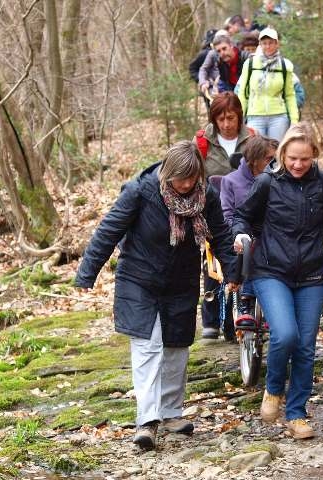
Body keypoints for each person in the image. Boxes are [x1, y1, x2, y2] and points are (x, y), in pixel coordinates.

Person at [75, 141, 238, 451]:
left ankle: (171, 413)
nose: (187, 185)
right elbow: (108, 231)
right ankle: (147, 421)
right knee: (148, 346)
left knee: (177, 346)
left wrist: (232, 273)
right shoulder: (141, 191)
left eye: (193, 178)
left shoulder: (207, 197)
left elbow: (221, 236)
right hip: (139, 278)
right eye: (181, 179)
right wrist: (87, 274)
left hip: (181, 279)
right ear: (168, 173)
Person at [232, 122, 323, 440]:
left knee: (305, 345)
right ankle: (273, 388)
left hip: (313, 275)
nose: (298, 165)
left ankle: (297, 413)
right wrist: (240, 234)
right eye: (292, 158)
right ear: (283, 154)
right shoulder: (267, 183)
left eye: (305, 159)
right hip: (271, 270)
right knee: (285, 335)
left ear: (314, 155)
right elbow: (242, 216)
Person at [194, 92, 256, 339]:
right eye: (221, 118)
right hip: (212, 206)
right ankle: (211, 320)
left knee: (242, 259)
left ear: (239, 116)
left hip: (244, 205)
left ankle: (237, 320)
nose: (227, 124)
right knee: (213, 261)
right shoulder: (203, 142)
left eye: (231, 118)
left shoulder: (251, 137)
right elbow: (194, 173)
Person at [219, 135, 278, 325]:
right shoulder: (231, 182)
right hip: (239, 236)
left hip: (271, 235)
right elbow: (226, 216)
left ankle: (274, 307)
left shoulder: (277, 178)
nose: (274, 163)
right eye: (269, 159)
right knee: (252, 245)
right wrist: (240, 232)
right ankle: (246, 300)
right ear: (254, 160)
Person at [237, 27, 299, 141]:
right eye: (264, 43)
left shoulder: (285, 65)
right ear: (260, 44)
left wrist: (294, 120)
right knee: (256, 152)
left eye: (271, 43)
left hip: (279, 116)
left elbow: (290, 95)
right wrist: (239, 117)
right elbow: (243, 93)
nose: (268, 46)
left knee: (277, 153)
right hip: (255, 116)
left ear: (277, 44)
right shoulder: (250, 64)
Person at [188, 28, 219, 114]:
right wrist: (202, 80)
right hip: (209, 89)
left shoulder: (223, 51)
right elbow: (192, 68)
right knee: (213, 113)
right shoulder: (204, 54)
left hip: (222, 86)